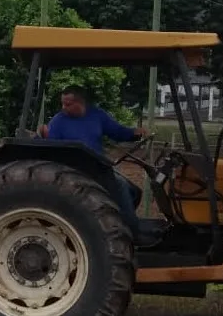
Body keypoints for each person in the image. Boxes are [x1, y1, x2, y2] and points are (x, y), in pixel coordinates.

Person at [38, 85, 159, 246]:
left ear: (80, 103)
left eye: (68, 104)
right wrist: (43, 137)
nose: (63, 108)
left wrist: (134, 133)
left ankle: (120, 225)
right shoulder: (58, 121)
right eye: (63, 103)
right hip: (79, 172)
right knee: (121, 187)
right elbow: (52, 150)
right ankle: (134, 235)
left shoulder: (97, 115)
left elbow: (117, 131)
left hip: (99, 167)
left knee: (134, 192)